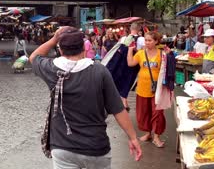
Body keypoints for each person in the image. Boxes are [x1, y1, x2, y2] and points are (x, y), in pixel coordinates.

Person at [30, 27, 142, 168]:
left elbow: (34, 57)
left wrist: (54, 38)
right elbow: (118, 109)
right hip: (96, 148)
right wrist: (132, 137)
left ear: (61, 50)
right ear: (84, 48)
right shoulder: (99, 70)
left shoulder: (52, 69)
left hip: (62, 147)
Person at [127, 31, 166, 148]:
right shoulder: (140, 53)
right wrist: (130, 50)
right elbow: (130, 63)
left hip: (157, 90)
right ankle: (148, 133)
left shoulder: (162, 54)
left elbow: (166, 71)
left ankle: (157, 137)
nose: (147, 42)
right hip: (142, 88)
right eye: (146, 40)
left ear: (156, 41)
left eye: (150, 40)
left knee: (158, 113)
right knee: (144, 113)